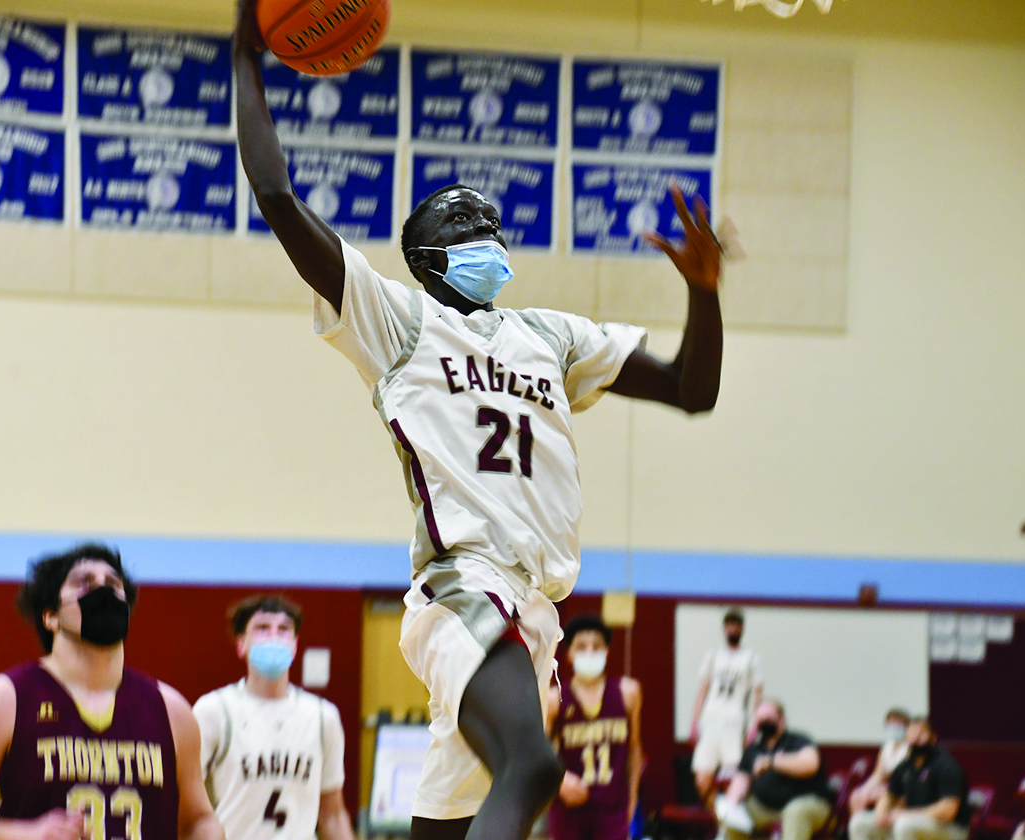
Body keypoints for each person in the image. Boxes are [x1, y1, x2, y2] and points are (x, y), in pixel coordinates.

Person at [233, 4, 724, 840]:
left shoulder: (552, 335)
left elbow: (691, 388)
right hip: (465, 584)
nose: (484, 233)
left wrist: (704, 292)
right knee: (533, 766)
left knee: (449, 827)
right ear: (423, 258)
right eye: (461, 224)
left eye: (489, 222)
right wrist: (248, 50)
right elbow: (277, 195)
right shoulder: (398, 321)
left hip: (534, 608)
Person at [0, 544, 223, 840]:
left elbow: (198, 820)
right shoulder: (2, 702)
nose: (103, 590)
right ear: (50, 616)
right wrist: (17, 835)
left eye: (113, 584)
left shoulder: (171, 710)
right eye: (85, 583)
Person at [193, 595, 355, 840]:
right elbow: (186, 805)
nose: (273, 637)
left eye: (283, 630)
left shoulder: (323, 717)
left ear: (295, 645)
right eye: (262, 628)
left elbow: (332, 815)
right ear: (241, 645)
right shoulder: (213, 711)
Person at [545, 615, 644, 840]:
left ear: (607, 651)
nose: (589, 652)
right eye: (581, 646)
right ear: (569, 653)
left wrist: (633, 801)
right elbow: (537, 751)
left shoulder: (629, 692)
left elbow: (635, 750)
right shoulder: (554, 699)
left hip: (613, 807)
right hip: (568, 807)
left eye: (596, 646)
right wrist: (559, 781)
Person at [716, 699, 832, 840]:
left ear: (782, 720)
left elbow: (810, 764)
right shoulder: (754, 749)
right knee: (734, 816)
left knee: (795, 812)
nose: (764, 722)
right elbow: (742, 778)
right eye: (760, 719)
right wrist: (732, 804)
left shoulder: (798, 740)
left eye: (769, 718)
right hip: (766, 807)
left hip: (807, 803)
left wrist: (772, 761)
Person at [849, 717, 971, 840]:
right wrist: (882, 812)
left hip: (951, 828)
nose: (915, 738)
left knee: (904, 825)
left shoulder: (947, 766)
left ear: (933, 738)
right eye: (912, 733)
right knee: (859, 822)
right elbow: (890, 795)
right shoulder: (905, 766)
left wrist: (906, 815)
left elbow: (948, 811)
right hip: (913, 820)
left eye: (921, 734)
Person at [690, 609, 763, 809]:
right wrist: (694, 721)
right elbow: (702, 690)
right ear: (724, 629)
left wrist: (755, 726)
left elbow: (757, 695)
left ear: (742, 629)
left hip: (734, 724)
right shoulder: (713, 655)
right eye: (729, 625)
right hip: (710, 721)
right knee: (702, 780)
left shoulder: (751, 657)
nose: (733, 629)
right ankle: (721, 823)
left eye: (737, 625)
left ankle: (729, 830)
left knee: (733, 783)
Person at [850, 709, 912, 813]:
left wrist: (885, 790)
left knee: (883, 797)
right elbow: (878, 775)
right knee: (856, 796)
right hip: (885, 786)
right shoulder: (886, 748)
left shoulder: (909, 749)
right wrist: (865, 791)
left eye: (898, 723)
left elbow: (905, 778)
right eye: (891, 723)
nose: (894, 727)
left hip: (901, 789)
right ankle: (859, 826)